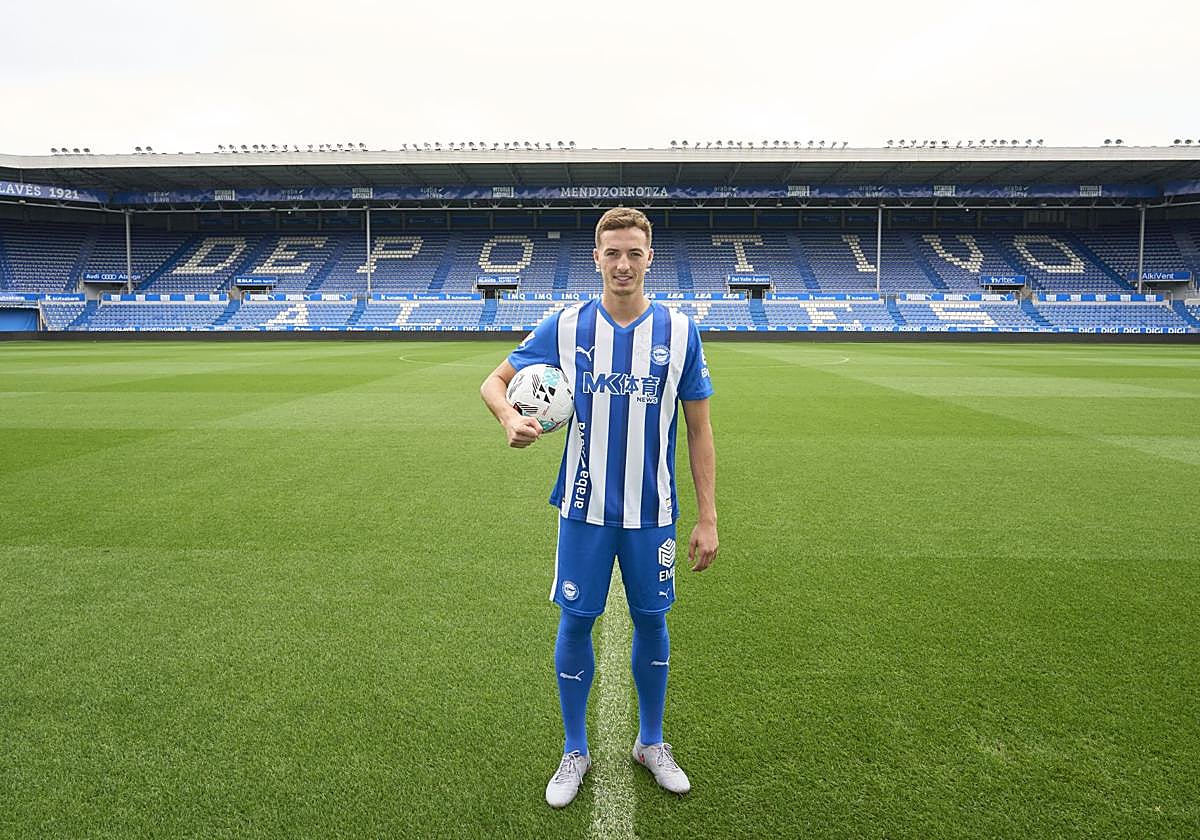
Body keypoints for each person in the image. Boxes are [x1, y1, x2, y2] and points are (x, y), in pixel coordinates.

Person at [479, 207, 718, 808]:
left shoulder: (681, 332)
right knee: (576, 622)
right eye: (612, 252)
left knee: (653, 620)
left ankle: (652, 742)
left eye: (634, 253)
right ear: (596, 257)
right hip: (582, 508)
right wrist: (511, 418)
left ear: (649, 257)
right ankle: (575, 749)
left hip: (652, 510)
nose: (623, 264)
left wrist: (708, 516)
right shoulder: (564, 327)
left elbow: (699, 431)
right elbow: (493, 381)